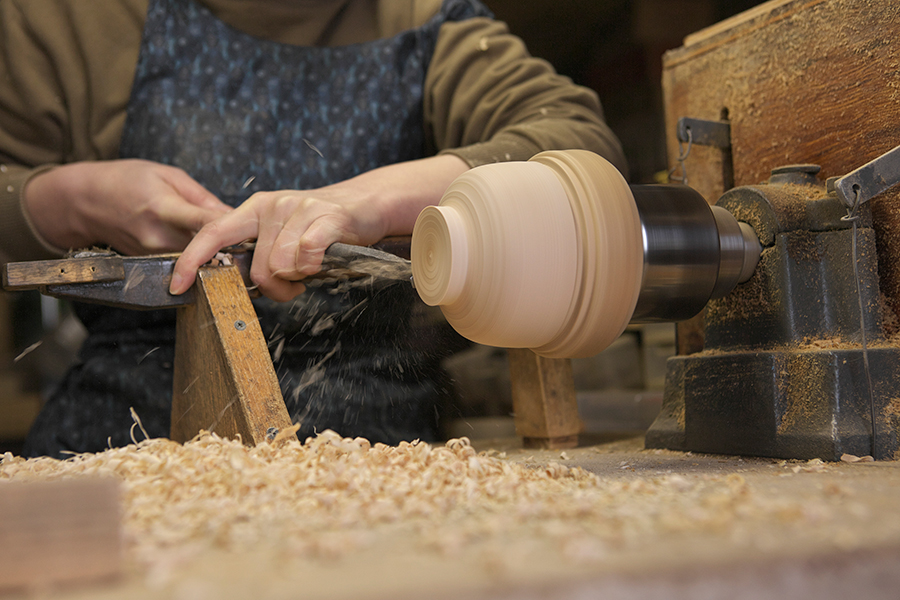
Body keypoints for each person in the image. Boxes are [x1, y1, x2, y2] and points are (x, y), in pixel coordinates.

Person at [0, 0, 627, 458]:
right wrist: (64, 199)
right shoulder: (65, 19)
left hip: (376, 451)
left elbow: (579, 146)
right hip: (120, 443)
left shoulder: (425, 21)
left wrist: (368, 202)